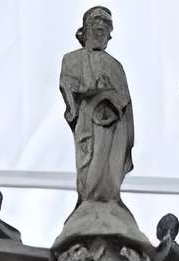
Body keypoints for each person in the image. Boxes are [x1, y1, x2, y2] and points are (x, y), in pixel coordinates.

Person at [59, 6, 142, 243]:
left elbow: (125, 98)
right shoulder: (72, 59)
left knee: (111, 165)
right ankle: (89, 201)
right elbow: (68, 86)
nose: (100, 31)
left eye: (105, 28)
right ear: (84, 31)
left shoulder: (115, 65)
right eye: (95, 26)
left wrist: (113, 100)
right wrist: (91, 91)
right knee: (90, 162)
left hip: (115, 123)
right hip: (89, 119)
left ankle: (110, 199)